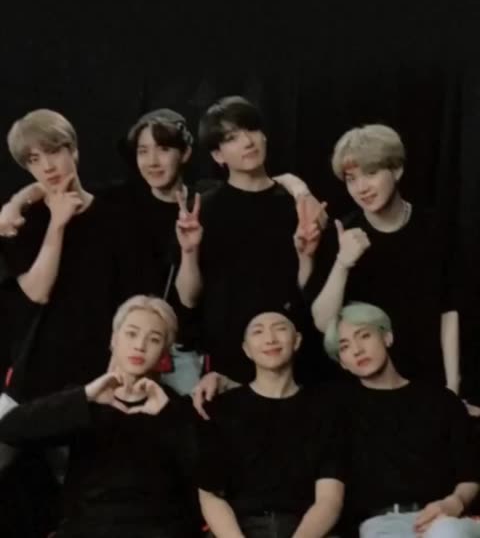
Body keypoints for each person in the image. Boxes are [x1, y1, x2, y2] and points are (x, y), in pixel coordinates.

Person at [0, 108, 323, 394]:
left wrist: (300, 190)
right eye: (143, 151)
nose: (153, 161)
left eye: (164, 149)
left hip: (186, 347)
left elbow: (258, 184)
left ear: (185, 154)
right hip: (112, 349)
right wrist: (17, 203)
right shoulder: (123, 202)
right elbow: (58, 190)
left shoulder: (205, 201)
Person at [0, 294, 200, 538]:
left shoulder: (176, 408)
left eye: (154, 339)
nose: (140, 346)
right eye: (131, 334)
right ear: (114, 340)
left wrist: (168, 416)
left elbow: (207, 473)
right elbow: (10, 428)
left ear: (163, 355)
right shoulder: (87, 400)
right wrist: (84, 396)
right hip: (88, 527)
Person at [175, 96, 326, 385]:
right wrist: (189, 251)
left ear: (264, 135)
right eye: (231, 138)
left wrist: (307, 254)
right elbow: (189, 298)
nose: (247, 142)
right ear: (218, 155)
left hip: (295, 349)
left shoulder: (296, 204)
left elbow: (312, 291)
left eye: (251, 130)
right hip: (229, 353)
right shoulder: (203, 210)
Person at [0, 109, 137, 401]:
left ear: (73, 150)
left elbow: (131, 298)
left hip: (101, 367)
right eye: (34, 159)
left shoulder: (116, 217)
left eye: (53, 152)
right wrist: (57, 224)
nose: (47, 166)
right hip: (38, 373)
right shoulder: (21, 222)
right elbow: (36, 293)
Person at [310, 124, 459, 390]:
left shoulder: (435, 227)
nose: (361, 188)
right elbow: (324, 323)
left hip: (428, 379)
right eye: (351, 179)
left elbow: (449, 310)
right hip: (365, 385)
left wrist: (453, 384)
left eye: (371, 173)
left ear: (397, 170)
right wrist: (343, 262)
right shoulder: (343, 234)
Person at [323, 302, 479, 538]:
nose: (357, 350)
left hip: (445, 519)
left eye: (364, 336)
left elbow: (470, 472)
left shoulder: (440, 400)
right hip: (381, 524)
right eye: (344, 347)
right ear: (342, 362)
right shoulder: (339, 410)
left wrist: (454, 502)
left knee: (447, 532)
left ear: (387, 337)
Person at [197, 305, 345, 538]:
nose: (270, 339)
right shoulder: (223, 407)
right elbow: (210, 494)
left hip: (308, 530)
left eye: (279, 329)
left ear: (297, 341)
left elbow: (329, 499)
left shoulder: (323, 408)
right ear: (246, 349)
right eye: (258, 331)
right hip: (238, 529)